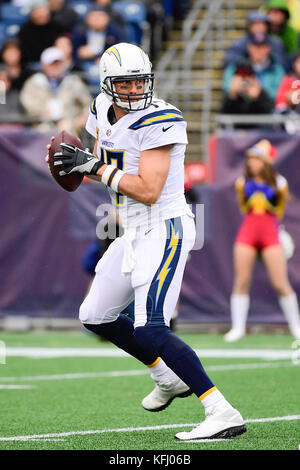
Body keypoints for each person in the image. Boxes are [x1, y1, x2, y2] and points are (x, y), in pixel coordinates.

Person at [46, 42, 246, 440]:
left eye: (141, 81)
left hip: (165, 224)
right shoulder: (100, 111)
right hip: (131, 227)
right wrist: (73, 163)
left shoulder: (162, 117)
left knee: (151, 328)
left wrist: (94, 167)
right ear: (107, 85)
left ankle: (221, 410)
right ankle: (166, 377)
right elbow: (104, 163)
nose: (136, 90)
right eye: (126, 83)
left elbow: (150, 188)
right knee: (95, 315)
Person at [224, 139, 300, 342]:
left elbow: (280, 211)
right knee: (241, 281)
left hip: (270, 234)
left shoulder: (280, 183)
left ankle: (296, 326)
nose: (251, 163)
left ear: (267, 161)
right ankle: (238, 328)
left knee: (280, 282)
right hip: (247, 234)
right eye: (250, 159)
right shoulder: (242, 182)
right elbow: (243, 208)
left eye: (257, 159)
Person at [20, 46, 91, 134]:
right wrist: (41, 111)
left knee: (66, 130)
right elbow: (28, 103)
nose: (56, 67)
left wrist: (80, 119)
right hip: (41, 122)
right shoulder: (34, 82)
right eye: (52, 63)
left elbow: (88, 103)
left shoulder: (73, 81)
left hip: (69, 123)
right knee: (42, 131)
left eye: (58, 63)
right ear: (44, 66)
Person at [221, 33, 285, 119]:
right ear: (249, 47)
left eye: (262, 47)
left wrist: (259, 94)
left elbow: (278, 98)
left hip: (266, 119)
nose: (258, 50)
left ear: (268, 48)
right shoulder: (236, 66)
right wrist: (233, 93)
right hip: (237, 113)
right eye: (255, 47)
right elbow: (227, 90)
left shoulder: (277, 70)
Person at [224, 10, 288, 71]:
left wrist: (271, 62)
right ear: (249, 26)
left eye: (262, 24)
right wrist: (244, 62)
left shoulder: (275, 42)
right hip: (248, 74)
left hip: (270, 75)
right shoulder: (241, 42)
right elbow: (229, 60)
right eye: (256, 24)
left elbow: (283, 64)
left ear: (267, 26)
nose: (259, 27)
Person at [17, 0, 64, 66]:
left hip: (54, 64)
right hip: (32, 65)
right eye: (38, 10)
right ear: (32, 13)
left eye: (43, 10)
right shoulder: (24, 31)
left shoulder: (58, 28)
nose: (41, 14)